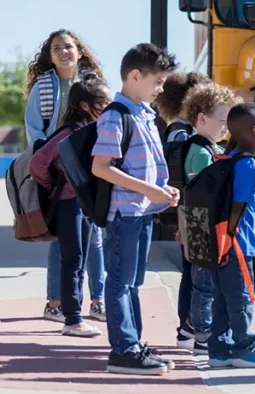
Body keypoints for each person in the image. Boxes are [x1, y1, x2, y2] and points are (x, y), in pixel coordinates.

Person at [91, 43, 180, 375]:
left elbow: (146, 166)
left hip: (141, 212)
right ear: (135, 75)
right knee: (120, 282)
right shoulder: (116, 115)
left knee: (132, 282)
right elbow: (102, 167)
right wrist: (151, 189)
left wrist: (161, 189)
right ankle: (123, 350)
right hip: (125, 214)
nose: (160, 89)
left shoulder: (143, 113)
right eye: (157, 82)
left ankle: (134, 344)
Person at [24, 29, 107, 325]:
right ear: (50, 55)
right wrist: (49, 162)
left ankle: (98, 300)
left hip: (88, 165)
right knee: (60, 239)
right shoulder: (43, 87)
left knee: (95, 238)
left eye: (68, 46)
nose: (63, 52)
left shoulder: (93, 83)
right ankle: (55, 302)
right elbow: (34, 129)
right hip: (57, 169)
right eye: (57, 48)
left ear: (79, 51)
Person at [207, 102, 255, 369]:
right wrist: (230, 238)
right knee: (241, 298)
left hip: (222, 244)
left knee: (223, 299)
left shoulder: (229, 159)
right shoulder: (247, 164)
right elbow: (239, 204)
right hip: (238, 244)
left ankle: (219, 349)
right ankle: (245, 348)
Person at [176, 82, 240, 355]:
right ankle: (202, 334)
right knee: (204, 284)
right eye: (224, 121)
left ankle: (189, 328)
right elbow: (206, 192)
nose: (227, 127)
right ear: (201, 119)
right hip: (202, 227)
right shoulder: (201, 152)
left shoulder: (204, 148)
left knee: (200, 280)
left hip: (198, 225)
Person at [152, 71, 214, 349]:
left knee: (191, 271)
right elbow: (177, 178)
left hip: (185, 214)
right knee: (193, 272)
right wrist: (180, 222)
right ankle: (190, 328)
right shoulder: (182, 132)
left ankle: (188, 327)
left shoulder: (180, 129)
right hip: (189, 214)